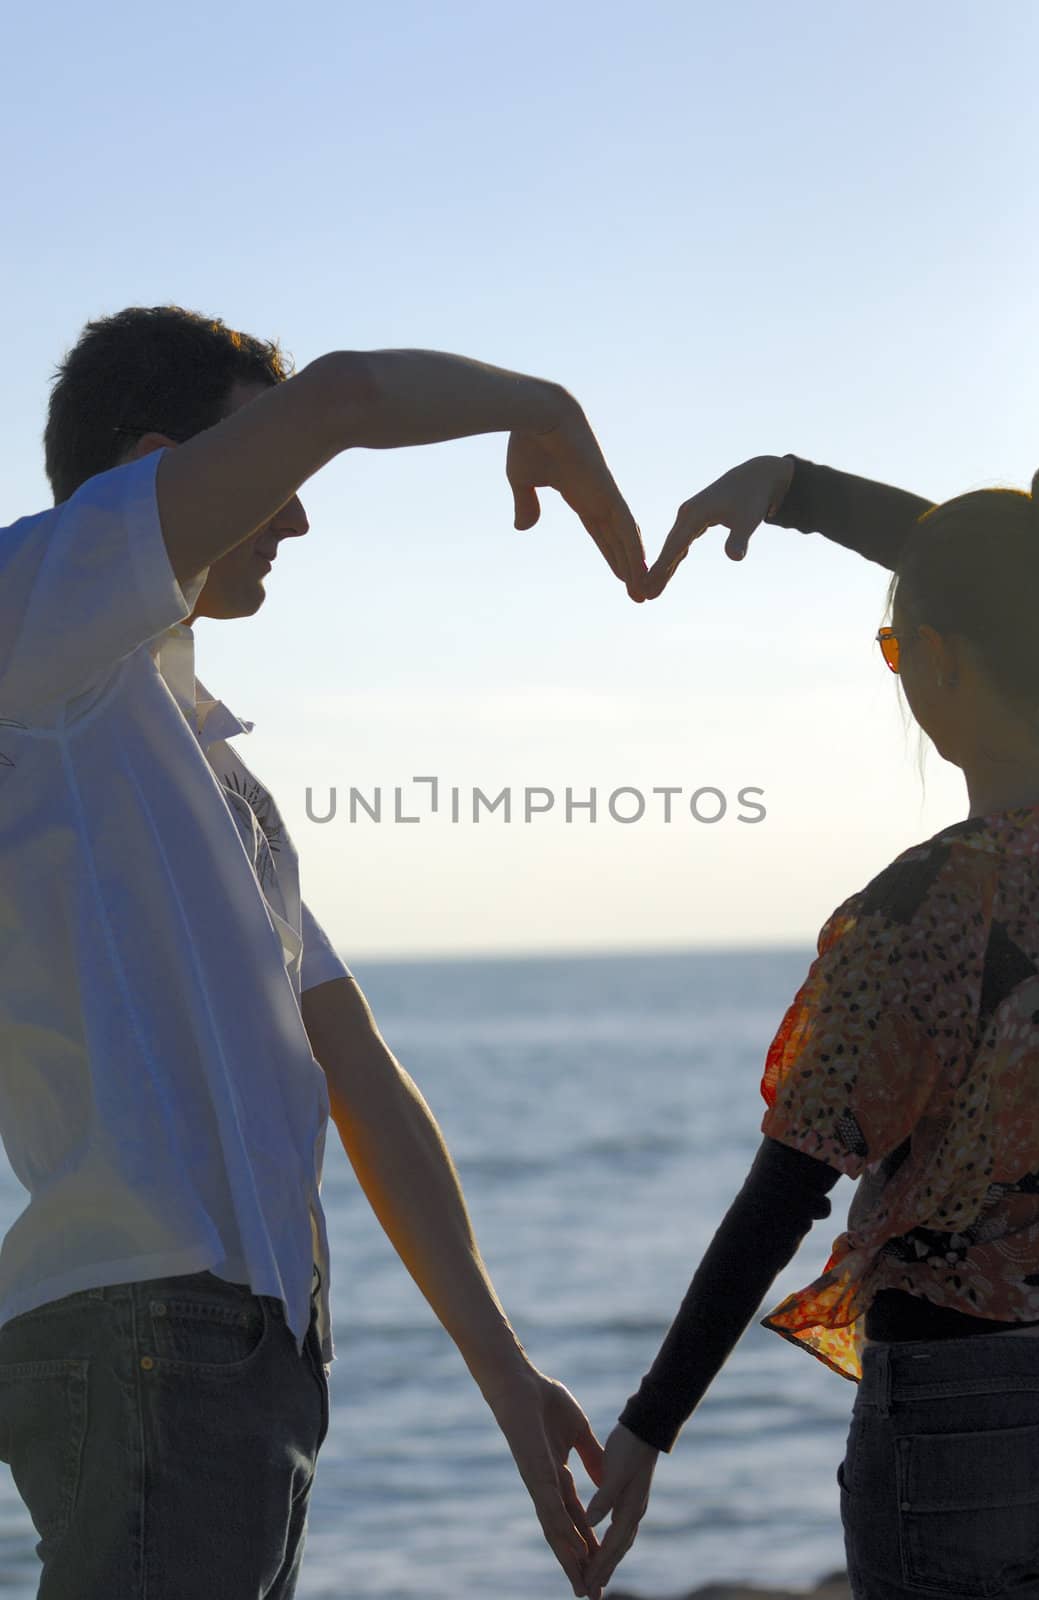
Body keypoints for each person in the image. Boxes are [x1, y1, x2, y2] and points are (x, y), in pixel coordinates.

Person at [0, 305, 647, 1600]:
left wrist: (504, 1376)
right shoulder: (33, 615)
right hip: (146, 1330)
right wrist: (546, 406)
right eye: (273, 474)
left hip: (251, 1356)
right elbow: (346, 394)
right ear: (150, 466)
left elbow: (357, 1076)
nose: (296, 518)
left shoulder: (211, 773)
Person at [585, 455, 1039, 1598]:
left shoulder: (929, 907)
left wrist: (648, 1427)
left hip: (964, 1419)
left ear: (936, 662)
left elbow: (786, 1189)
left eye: (899, 652)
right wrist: (801, 495)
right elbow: (1002, 581)